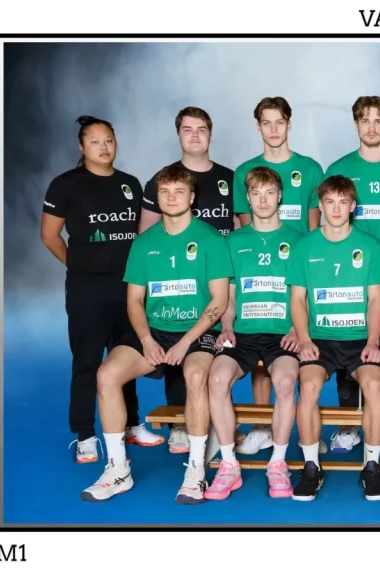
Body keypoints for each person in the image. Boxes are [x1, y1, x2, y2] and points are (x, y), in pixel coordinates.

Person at [79, 163, 233, 503]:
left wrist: (185, 342)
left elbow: (219, 301)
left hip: (197, 333)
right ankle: (118, 469)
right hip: (155, 332)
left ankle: (196, 471)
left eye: (179, 191)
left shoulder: (210, 239)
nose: (171, 197)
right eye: (165, 192)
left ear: (192, 197)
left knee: (196, 376)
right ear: (157, 198)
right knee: (106, 375)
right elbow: (134, 300)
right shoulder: (144, 243)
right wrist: (147, 340)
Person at [41, 116, 162, 464]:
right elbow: (49, 235)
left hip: (127, 288)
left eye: (108, 140)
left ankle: (131, 425)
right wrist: (79, 264)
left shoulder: (129, 184)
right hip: (87, 289)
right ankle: (85, 435)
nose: (103, 147)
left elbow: (140, 235)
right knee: (87, 362)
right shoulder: (65, 185)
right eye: (95, 141)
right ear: (82, 147)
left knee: (126, 358)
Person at [230, 97, 327, 455]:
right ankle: (262, 426)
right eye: (266, 123)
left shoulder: (310, 168)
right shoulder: (244, 171)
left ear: (289, 124)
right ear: (258, 127)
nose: (273, 129)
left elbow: (314, 231)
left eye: (279, 122)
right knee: (259, 352)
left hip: (296, 270)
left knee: (298, 356)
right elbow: (248, 232)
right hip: (260, 280)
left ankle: (306, 428)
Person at [140, 107, 238, 456]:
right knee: (177, 352)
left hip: (222, 279)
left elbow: (241, 228)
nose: (195, 135)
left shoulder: (230, 178)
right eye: (187, 129)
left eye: (201, 129)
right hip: (179, 279)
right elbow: (147, 234)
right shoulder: (162, 180)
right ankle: (182, 425)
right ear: (178, 135)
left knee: (221, 355)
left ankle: (221, 426)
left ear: (210, 135)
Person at [319, 96, 380, 455]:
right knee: (348, 342)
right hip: (350, 274)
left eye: (378, 120)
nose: (371, 127)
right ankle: (349, 423)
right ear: (356, 124)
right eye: (365, 120)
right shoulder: (339, 169)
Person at [203, 166, 304, 501]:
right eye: (256, 194)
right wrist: (226, 327)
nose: (263, 200)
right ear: (247, 198)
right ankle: (228, 464)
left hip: (282, 333)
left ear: (280, 196)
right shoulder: (232, 242)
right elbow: (229, 297)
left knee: (285, 382)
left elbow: (302, 296)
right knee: (217, 379)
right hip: (243, 333)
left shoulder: (299, 240)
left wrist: (296, 329)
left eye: (269, 193)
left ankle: (278, 463)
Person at [289, 175, 380, 501]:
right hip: (320, 339)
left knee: (373, 386)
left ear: (353, 206)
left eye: (343, 202)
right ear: (320, 205)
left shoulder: (370, 246)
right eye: (330, 202)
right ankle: (311, 467)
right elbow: (298, 300)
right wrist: (304, 339)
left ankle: (372, 466)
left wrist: (373, 341)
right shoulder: (304, 247)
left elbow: (376, 299)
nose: (336, 208)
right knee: (308, 387)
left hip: (360, 339)